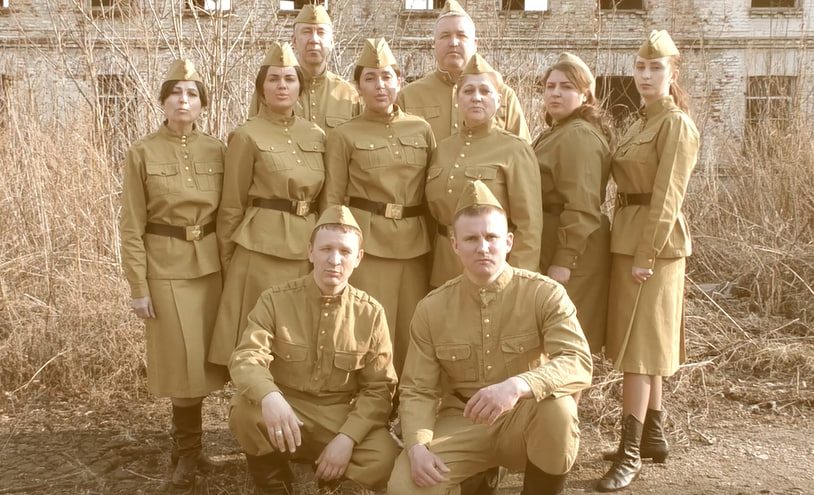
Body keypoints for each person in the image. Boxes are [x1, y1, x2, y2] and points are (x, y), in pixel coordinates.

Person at [387, 180, 593, 495]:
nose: (482, 247)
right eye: (471, 239)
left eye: (491, 237)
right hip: (463, 419)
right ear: (455, 245)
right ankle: (479, 477)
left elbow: (577, 361)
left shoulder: (544, 294)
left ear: (508, 241)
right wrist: (417, 446)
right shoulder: (432, 308)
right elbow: (418, 389)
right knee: (407, 487)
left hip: (525, 417)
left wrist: (517, 386)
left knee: (559, 411)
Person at [228, 205, 400, 494]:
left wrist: (347, 438)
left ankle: (329, 476)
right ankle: (276, 484)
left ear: (358, 258)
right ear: (310, 252)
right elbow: (247, 357)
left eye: (345, 251)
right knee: (244, 413)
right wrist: (270, 396)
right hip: (286, 407)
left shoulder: (370, 313)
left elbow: (380, 388)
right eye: (326, 249)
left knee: (385, 459)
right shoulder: (275, 300)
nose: (334, 260)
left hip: (337, 416)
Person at [596, 30, 700, 493]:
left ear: (672, 73)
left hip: (654, 247)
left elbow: (668, 198)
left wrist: (646, 253)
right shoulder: (640, 121)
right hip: (628, 239)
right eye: (639, 67)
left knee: (638, 351)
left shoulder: (675, 124)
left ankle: (630, 453)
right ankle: (653, 436)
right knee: (647, 344)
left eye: (655, 68)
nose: (645, 75)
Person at [119, 59, 227, 488]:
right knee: (181, 365)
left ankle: (190, 450)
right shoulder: (142, 152)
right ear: (162, 101)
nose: (184, 100)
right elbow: (132, 225)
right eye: (176, 93)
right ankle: (187, 455)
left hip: (211, 267)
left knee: (201, 363)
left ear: (202, 103)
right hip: (165, 268)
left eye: (192, 94)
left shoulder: (218, 150)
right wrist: (138, 286)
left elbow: (229, 213)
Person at [322, 37, 435, 376]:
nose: (380, 85)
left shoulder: (421, 129)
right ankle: (368, 393)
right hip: (368, 243)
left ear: (399, 81)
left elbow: (432, 191)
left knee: (412, 326)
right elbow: (333, 198)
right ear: (358, 87)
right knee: (367, 323)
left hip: (415, 243)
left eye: (387, 77)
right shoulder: (344, 135)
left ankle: (407, 396)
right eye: (370, 78)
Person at [208, 42, 326, 366]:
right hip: (260, 251)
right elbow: (231, 204)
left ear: (300, 87)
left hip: (305, 248)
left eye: (289, 78)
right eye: (273, 79)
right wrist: (228, 259)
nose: (281, 86)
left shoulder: (316, 135)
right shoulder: (246, 135)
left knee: (299, 335)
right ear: (262, 88)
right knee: (259, 340)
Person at [425, 53, 542, 288]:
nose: (476, 98)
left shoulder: (515, 149)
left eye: (485, 91)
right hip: (444, 268)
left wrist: (518, 281)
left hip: (492, 268)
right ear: (458, 99)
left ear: (499, 100)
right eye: (468, 91)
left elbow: (529, 224)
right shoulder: (442, 149)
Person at [532, 52, 612, 354]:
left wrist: (564, 261)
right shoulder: (557, 132)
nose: (555, 93)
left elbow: (582, 206)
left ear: (585, 95)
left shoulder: (578, 136)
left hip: (574, 253)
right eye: (550, 86)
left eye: (566, 87)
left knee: (570, 343)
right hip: (553, 243)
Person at [397, 0, 530, 143]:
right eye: (445, 36)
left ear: (475, 44)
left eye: (461, 35)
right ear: (433, 43)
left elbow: (523, 151)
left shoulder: (503, 95)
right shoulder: (408, 97)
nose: (453, 42)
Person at [248, 5, 360, 130]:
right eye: (306, 32)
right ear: (294, 41)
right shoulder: (271, 91)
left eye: (321, 32)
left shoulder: (349, 95)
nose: (314, 39)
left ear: (331, 42)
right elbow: (252, 134)